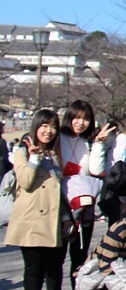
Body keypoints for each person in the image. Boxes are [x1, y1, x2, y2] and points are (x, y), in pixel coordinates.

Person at [6, 108, 70, 290]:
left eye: (53, 127)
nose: (48, 131)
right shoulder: (22, 153)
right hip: (32, 221)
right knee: (34, 270)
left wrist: (66, 218)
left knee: (55, 270)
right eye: (44, 125)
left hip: (53, 221)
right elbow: (25, 182)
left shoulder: (54, 155)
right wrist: (34, 157)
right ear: (35, 127)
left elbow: (58, 190)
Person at [59, 99, 114, 280]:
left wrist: (98, 145)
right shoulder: (58, 138)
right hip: (61, 206)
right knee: (56, 259)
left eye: (85, 119)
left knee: (79, 259)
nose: (80, 122)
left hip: (84, 208)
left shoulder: (89, 142)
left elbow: (96, 171)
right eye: (77, 117)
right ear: (69, 117)